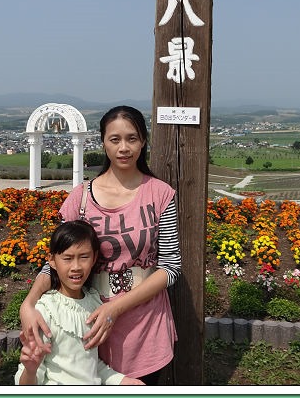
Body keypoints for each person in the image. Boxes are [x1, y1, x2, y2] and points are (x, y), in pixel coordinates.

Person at [20, 105, 181, 385]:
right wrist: (29, 303)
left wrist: (115, 308)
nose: (124, 148)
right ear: (103, 142)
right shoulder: (79, 199)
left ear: (143, 141)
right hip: (87, 321)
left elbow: (170, 267)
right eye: (114, 139)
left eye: (132, 138)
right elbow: (59, 260)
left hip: (144, 326)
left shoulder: (160, 194)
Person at [15, 220, 144, 385]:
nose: (76, 266)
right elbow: (28, 383)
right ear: (52, 261)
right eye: (67, 258)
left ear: (94, 257)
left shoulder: (94, 302)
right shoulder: (45, 311)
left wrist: (121, 380)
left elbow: (90, 366)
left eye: (84, 257)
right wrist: (30, 370)